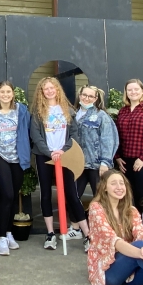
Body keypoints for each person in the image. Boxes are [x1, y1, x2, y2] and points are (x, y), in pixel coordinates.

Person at [30, 77, 90, 252]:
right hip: (45, 157)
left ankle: (87, 234)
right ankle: (50, 234)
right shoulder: (37, 112)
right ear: (41, 92)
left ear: (57, 89)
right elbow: (36, 136)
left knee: (72, 194)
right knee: (46, 194)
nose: (49, 91)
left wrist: (63, 150)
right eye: (45, 89)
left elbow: (74, 134)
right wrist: (50, 153)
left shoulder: (68, 110)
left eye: (52, 88)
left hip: (65, 156)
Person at [0, 81, 31, 256]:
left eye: (8, 91)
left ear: (13, 94)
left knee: (12, 198)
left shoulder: (21, 110)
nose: (5, 94)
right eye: (2, 91)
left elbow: (28, 132)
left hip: (18, 158)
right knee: (7, 195)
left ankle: (9, 234)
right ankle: (1, 238)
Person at [114, 78, 143, 211]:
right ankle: (133, 226)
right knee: (128, 196)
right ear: (126, 93)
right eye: (129, 90)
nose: (133, 92)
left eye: (136, 89)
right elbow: (117, 135)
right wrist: (117, 157)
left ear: (142, 91)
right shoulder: (123, 111)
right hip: (125, 160)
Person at [73, 84, 118, 199]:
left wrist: (105, 163)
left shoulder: (101, 116)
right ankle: (78, 218)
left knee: (100, 198)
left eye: (90, 96)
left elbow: (108, 140)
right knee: (73, 197)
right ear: (80, 95)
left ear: (95, 99)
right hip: (79, 164)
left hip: (96, 165)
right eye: (84, 95)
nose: (86, 98)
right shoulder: (73, 115)